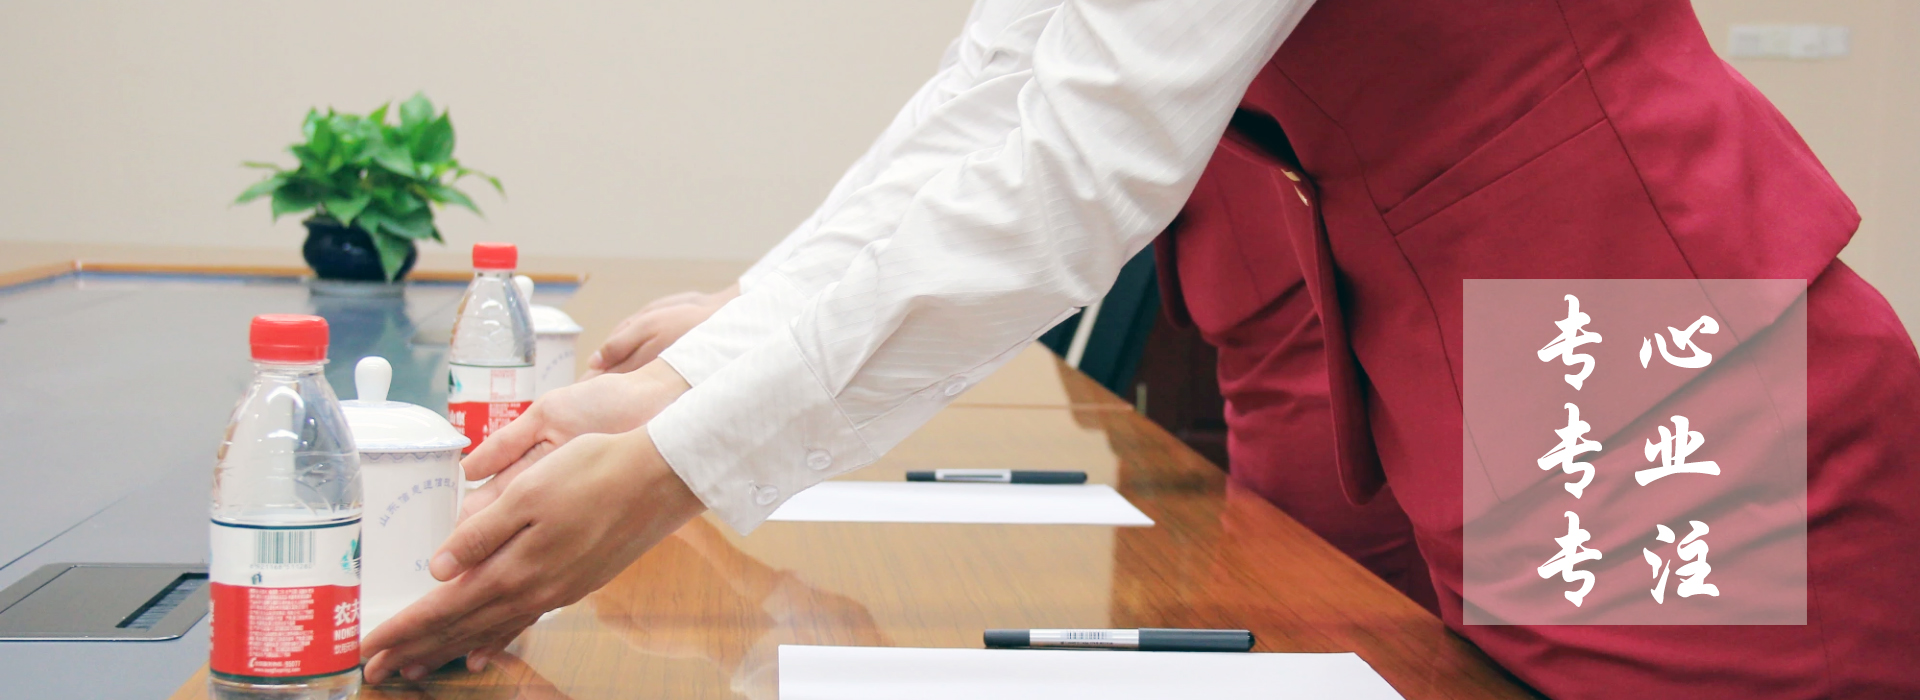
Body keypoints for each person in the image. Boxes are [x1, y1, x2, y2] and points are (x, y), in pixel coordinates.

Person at [363, 1, 1920, 697]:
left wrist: (677, 465)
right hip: (1454, 353)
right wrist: (709, 376)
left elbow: (1078, 161)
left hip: (1632, 347)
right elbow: (1000, 89)